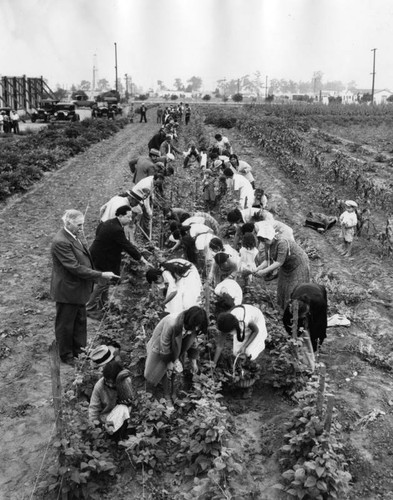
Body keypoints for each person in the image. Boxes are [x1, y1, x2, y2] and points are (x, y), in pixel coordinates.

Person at [50, 210, 119, 365]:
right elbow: (74, 267)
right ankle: (67, 355)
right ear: (68, 223)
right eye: (79, 225)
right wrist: (100, 275)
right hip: (68, 291)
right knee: (66, 324)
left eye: (82, 224)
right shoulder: (61, 241)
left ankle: (80, 350)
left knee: (80, 321)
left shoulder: (73, 237)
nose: (82, 228)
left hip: (78, 289)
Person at [86, 205, 150, 319]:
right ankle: (89, 308)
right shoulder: (116, 229)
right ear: (120, 216)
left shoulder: (109, 222)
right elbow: (126, 245)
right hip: (101, 257)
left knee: (105, 282)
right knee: (102, 283)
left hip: (99, 255)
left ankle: (104, 305)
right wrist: (141, 258)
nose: (130, 219)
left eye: (131, 217)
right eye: (128, 217)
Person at [144, 306, 208, 404]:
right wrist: (169, 362)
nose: (197, 328)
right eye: (196, 326)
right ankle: (164, 396)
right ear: (190, 320)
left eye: (199, 327)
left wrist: (193, 361)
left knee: (176, 370)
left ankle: (174, 395)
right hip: (160, 346)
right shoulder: (172, 323)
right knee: (163, 369)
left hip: (178, 346)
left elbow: (193, 343)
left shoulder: (193, 326)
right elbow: (164, 344)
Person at [254, 221, 310, 312]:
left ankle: (296, 311)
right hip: (286, 265)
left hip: (298, 264)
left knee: (294, 289)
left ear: (272, 236)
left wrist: (263, 272)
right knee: (283, 287)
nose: (265, 242)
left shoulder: (281, 242)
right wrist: (257, 269)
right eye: (264, 240)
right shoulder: (267, 243)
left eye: (267, 239)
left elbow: (278, 262)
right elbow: (267, 260)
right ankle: (285, 311)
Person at [283, 283, 328, 352]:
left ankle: (316, 346)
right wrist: (293, 334)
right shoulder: (292, 304)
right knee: (299, 325)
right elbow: (286, 320)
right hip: (299, 288)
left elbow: (321, 324)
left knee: (316, 325)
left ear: (308, 309)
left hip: (318, 290)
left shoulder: (319, 302)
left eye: (304, 315)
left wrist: (316, 344)